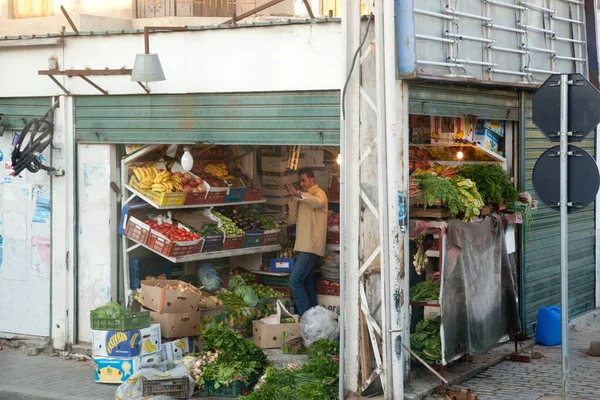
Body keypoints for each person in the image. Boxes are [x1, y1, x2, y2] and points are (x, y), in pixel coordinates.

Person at [285, 167, 328, 317]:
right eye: (300, 182)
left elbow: (317, 203)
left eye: (304, 180)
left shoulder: (319, 194)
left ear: (312, 179)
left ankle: (307, 319)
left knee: (295, 281)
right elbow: (291, 220)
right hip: (303, 245)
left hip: (311, 246)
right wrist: (293, 199)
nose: (301, 184)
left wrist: (299, 195)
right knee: (307, 282)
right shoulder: (302, 196)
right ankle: (316, 318)